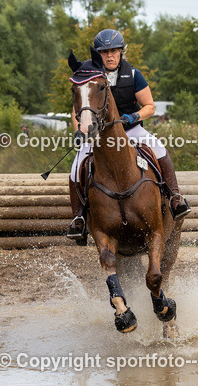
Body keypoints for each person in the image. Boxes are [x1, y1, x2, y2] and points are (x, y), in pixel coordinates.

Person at [67, 28, 191, 241]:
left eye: (113, 51)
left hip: (132, 130)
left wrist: (133, 117)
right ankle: (79, 218)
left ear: (120, 52)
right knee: (76, 165)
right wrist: (79, 130)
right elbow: (77, 111)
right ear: (98, 55)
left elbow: (150, 106)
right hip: (98, 136)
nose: (109, 56)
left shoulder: (133, 75)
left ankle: (175, 198)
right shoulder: (90, 75)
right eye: (104, 52)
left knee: (160, 150)